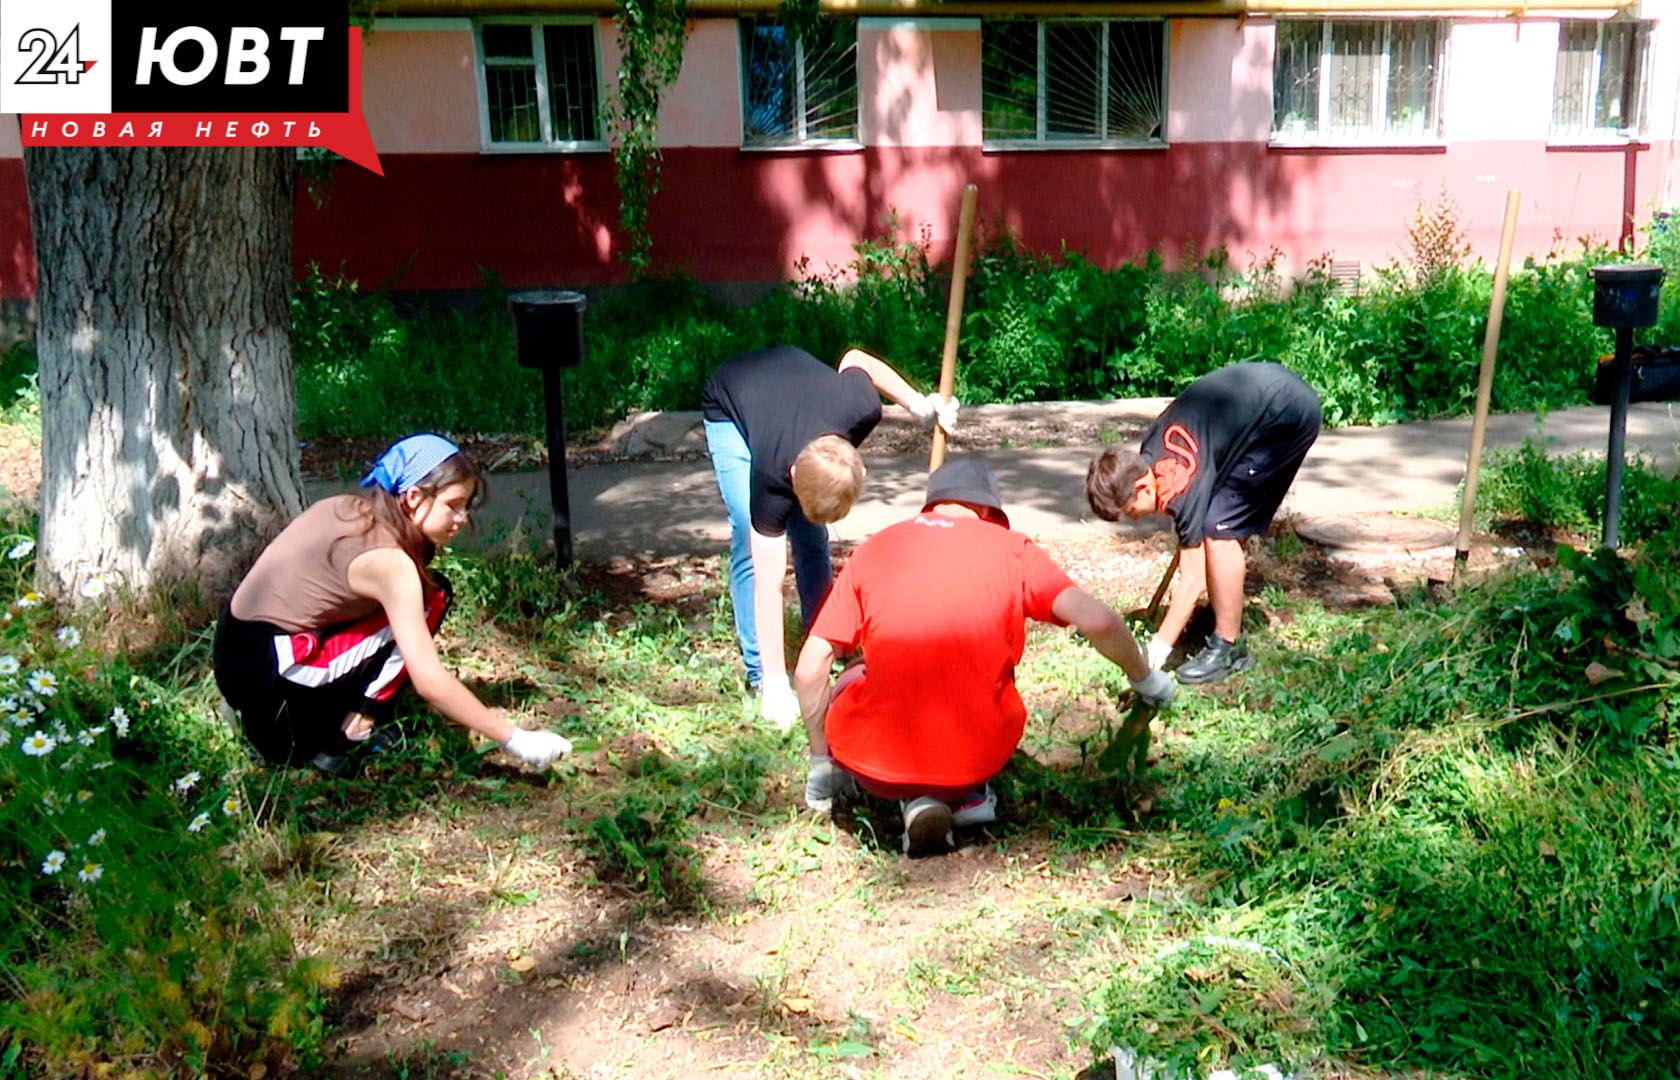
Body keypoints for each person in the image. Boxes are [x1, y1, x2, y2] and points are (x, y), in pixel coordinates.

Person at [792, 458, 1176, 856]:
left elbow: (809, 669)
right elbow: (1099, 620)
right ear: (988, 512)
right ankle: (965, 793)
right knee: (975, 676)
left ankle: (917, 796)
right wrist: (1146, 678)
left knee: (855, 672)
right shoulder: (1013, 551)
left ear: (932, 506)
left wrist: (822, 762)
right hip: (981, 752)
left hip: (876, 765)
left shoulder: (875, 549)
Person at [213, 434, 572, 774]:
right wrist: (517, 740)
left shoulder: (347, 507)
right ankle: (347, 733)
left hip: (234, 652)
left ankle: (255, 713)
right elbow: (430, 681)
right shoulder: (391, 563)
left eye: (465, 507)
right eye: (453, 506)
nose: (462, 519)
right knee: (432, 599)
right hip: (266, 676)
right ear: (414, 497)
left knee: (428, 592)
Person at [701, 344, 957, 729]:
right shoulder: (771, 478)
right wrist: (776, 683)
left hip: (794, 386)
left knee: (810, 536)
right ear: (791, 479)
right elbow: (769, 584)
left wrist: (919, 404)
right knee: (746, 534)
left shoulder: (860, 406)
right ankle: (760, 676)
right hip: (730, 400)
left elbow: (857, 360)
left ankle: (823, 641)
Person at [1085, 362, 1322, 685]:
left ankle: (1228, 649)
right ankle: (1224, 611)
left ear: (1142, 487)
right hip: (1263, 397)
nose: (1134, 518)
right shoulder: (1150, 457)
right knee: (1215, 519)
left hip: (1285, 416)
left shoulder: (1179, 485)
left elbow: (1192, 579)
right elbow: (1187, 524)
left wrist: (1155, 655)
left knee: (1220, 529)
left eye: (1130, 511)